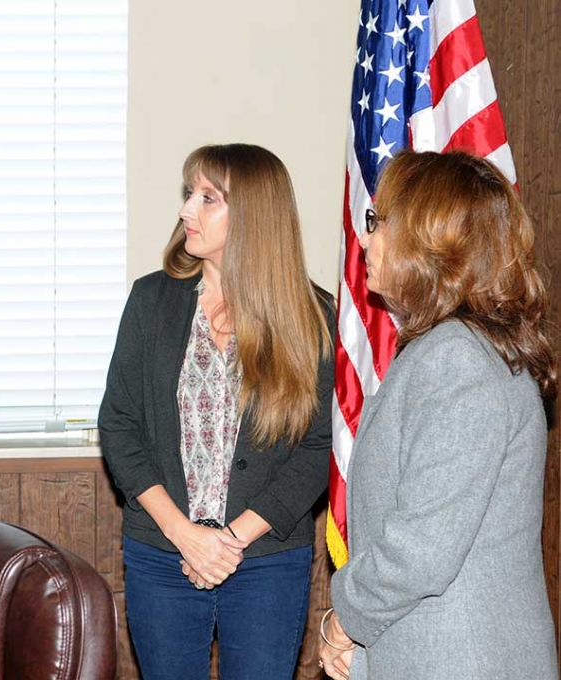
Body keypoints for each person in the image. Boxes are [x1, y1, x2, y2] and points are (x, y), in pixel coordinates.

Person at [319, 150, 558, 680]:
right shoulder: (451, 349)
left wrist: (345, 620)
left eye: (380, 223)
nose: (364, 239)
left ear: (431, 243)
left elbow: (421, 547)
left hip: (460, 657)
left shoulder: (458, 360)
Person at [98, 143, 335, 680]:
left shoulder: (312, 316)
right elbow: (119, 425)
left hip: (266, 559)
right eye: (189, 194)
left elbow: (319, 446)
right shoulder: (150, 301)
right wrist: (185, 534)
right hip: (162, 553)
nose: (186, 210)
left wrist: (229, 542)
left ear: (253, 215)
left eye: (208, 198)